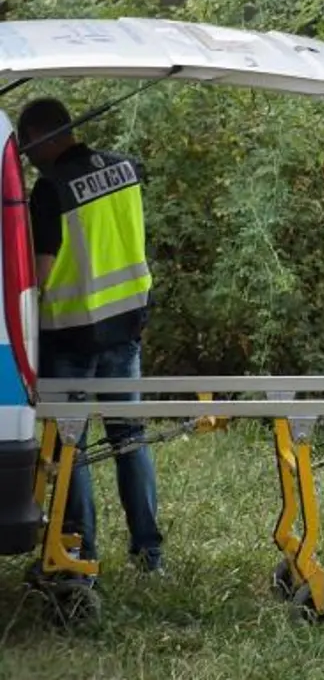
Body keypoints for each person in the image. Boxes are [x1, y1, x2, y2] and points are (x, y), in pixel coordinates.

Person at [18, 98, 162, 573]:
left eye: (27, 145)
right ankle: (149, 552)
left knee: (69, 445)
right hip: (125, 326)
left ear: (45, 135)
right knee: (130, 439)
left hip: (72, 333)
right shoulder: (126, 169)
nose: (26, 156)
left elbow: (39, 273)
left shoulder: (50, 188)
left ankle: (80, 550)